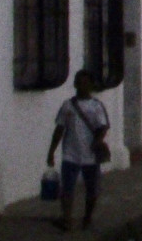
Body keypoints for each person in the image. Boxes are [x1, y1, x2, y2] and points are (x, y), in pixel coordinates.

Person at [46, 70, 110, 232]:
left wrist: (97, 141)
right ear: (75, 84)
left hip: (90, 155)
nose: (82, 86)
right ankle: (67, 219)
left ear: (91, 85)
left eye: (86, 82)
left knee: (92, 189)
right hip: (70, 154)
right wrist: (51, 151)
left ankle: (87, 217)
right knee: (67, 188)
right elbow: (59, 129)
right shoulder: (67, 105)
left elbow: (103, 126)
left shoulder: (96, 106)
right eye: (80, 82)